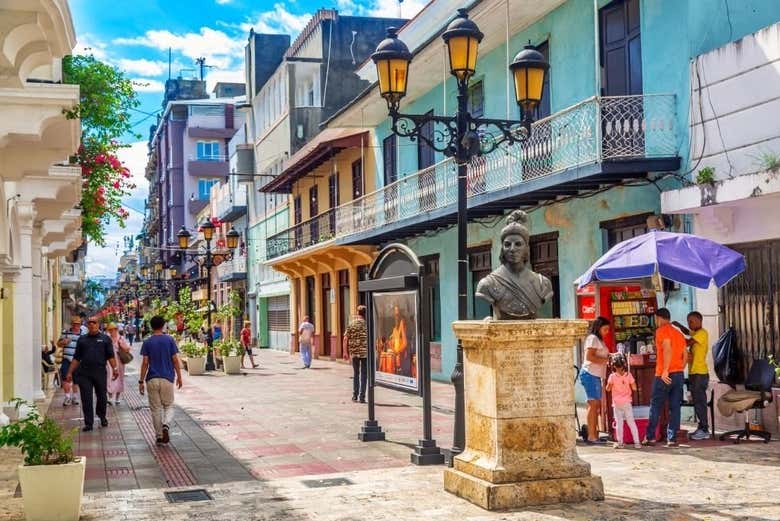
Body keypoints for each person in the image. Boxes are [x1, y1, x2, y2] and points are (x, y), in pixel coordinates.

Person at [475, 210, 554, 319]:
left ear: (526, 248)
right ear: (502, 249)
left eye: (518, 244)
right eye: (507, 244)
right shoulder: (488, 284)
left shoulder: (542, 284)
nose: (512, 249)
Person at [65, 317, 119, 432]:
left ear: (98, 324)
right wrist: (69, 372)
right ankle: (88, 423)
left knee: (102, 396)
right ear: (87, 325)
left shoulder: (105, 339)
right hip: (84, 373)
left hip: (100, 372)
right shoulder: (82, 340)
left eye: (94, 323)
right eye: (90, 323)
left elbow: (110, 356)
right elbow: (76, 358)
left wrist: (115, 368)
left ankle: (102, 416)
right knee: (86, 398)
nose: (92, 325)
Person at [643, 308, 687, 447]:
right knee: (675, 407)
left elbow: (667, 349)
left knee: (656, 405)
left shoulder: (661, 331)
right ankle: (672, 439)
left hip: (663, 374)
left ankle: (650, 437)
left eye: (656, 319)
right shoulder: (678, 333)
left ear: (659, 318)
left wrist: (666, 370)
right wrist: (679, 368)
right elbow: (686, 355)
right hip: (679, 373)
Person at [139, 315, 183, 444]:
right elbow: (175, 360)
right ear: (163, 325)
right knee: (168, 405)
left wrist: (141, 381)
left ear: (151, 326)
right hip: (167, 378)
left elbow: (145, 363)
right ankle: (166, 425)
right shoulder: (169, 340)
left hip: (152, 379)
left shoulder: (147, 342)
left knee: (155, 408)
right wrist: (179, 377)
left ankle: (159, 436)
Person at [579, 316, 611, 443]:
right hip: (590, 373)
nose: (607, 332)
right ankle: (592, 435)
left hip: (595, 375)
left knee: (595, 404)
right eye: (605, 329)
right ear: (598, 328)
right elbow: (589, 357)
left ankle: (594, 433)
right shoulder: (592, 339)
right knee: (593, 404)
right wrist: (606, 361)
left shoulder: (599, 340)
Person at [606, 353, 641, 449]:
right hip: (627, 402)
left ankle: (620, 443)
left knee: (619, 423)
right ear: (624, 365)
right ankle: (637, 443)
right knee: (631, 422)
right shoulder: (628, 375)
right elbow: (634, 388)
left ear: (613, 366)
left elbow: (608, 389)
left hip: (617, 404)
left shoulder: (612, 377)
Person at [686, 311, 710, 440]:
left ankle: (705, 430)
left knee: (700, 402)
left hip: (700, 373)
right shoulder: (695, 333)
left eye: (692, 321)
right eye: (688, 321)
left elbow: (687, 342)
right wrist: (679, 326)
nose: (689, 324)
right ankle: (701, 427)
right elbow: (688, 332)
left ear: (700, 321)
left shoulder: (702, 333)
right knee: (696, 402)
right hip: (694, 373)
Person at [59, 317, 85, 406]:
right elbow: (58, 344)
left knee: (76, 380)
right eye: (74, 324)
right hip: (66, 359)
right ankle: (67, 397)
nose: (76, 326)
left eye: (78, 324)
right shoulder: (65, 333)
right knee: (65, 378)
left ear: (80, 325)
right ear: (72, 324)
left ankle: (74, 397)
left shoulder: (83, 334)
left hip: (78, 361)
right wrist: (63, 342)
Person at [345, 305, 368, 403]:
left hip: (354, 352)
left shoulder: (352, 324)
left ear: (358, 313)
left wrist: (345, 352)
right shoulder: (367, 324)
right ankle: (362, 397)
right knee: (364, 374)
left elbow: (345, 338)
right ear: (365, 314)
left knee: (356, 373)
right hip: (365, 353)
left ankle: (355, 395)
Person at [105, 323, 131, 405]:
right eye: (110, 330)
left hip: (119, 361)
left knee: (120, 378)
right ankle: (110, 397)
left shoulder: (121, 338)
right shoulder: (107, 338)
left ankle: (117, 398)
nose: (112, 331)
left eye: (113, 329)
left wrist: (121, 345)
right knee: (109, 377)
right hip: (109, 361)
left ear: (116, 329)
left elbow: (127, 349)